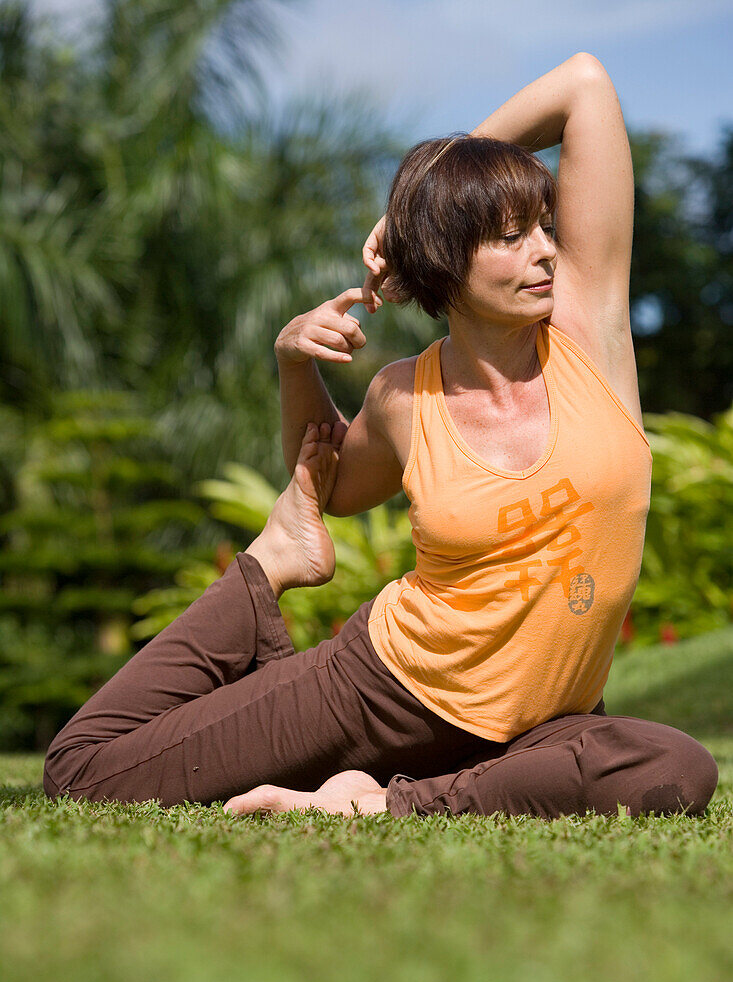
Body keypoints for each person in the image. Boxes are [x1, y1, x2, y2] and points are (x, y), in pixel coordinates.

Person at [43, 52, 718, 820]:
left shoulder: (586, 336)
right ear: (444, 263)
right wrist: (295, 364)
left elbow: (584, 85)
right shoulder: (403, 396)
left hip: (533, 731)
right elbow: (329, 487)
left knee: (675, 767)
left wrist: (415, 202)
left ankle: (373, 805)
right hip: (382, 689)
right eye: (508, 236)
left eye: (542, 227)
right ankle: (267, 568)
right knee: (84, 773)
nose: (543, 251)